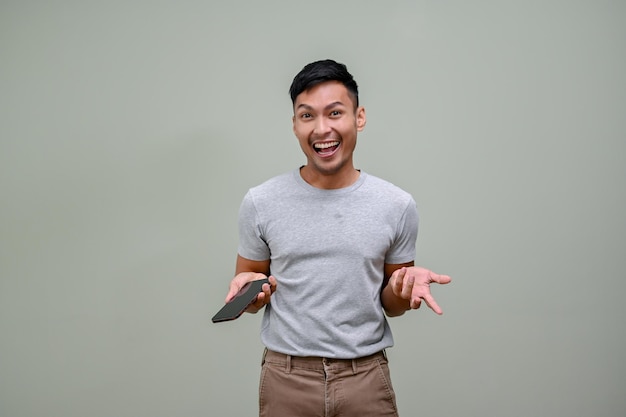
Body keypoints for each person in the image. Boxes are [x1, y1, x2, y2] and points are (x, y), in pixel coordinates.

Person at [223, 59, 451, 417]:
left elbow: (390, 302)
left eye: (335, 112)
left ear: (359, 117)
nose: (321, 129)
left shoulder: (396, 205)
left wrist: (405, 289)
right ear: (295, 125)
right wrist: (249, 292)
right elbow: (250, 293)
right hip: (287, 378)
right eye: (307, 116)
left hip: (365, 377)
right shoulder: (260, 202)